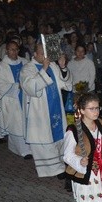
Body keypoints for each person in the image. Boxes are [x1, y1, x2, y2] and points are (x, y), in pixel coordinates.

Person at [20, 43, 73, 177]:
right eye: (42, 53)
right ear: (35, 54)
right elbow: (30, 87)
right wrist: (43, 69)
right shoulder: (27, 69)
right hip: (39, 112)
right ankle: (54, 170)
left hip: (56, 107)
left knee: (58, 137)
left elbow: (66, 84)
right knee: (45, 138)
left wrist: (62, 67)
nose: (45, 56)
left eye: (46, 53)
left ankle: (61, 164)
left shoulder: (53, 66)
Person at [0, 40, 32, 158]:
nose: (14, 52)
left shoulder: (25, 62)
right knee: (16, 124)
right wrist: (17, 86)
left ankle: (30, 146)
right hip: (11, 99)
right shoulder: (0, 67)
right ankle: (22, 150)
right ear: (6, 50)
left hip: (26, 97)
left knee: (27, 122)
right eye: (11, 49)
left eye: (16, 49)